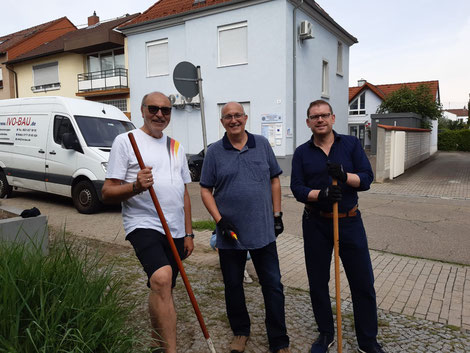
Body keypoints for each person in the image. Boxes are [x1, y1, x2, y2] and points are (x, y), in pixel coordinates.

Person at [290, 99, 386, 353]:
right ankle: (325, 334)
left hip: (349, 222)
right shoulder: (302, 152)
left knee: (363, 282)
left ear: (333, 118)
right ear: (308, 122)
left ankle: (367, 340)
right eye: (314, 117)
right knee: (318, 282)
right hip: (316, 223)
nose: (320, 120)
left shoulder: (351, 145)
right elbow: (297, 188)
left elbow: (366, 178)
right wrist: (319, 195)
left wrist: (344, 177)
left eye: (324, 115)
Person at [102, 92, 194, 353]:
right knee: (162, 279)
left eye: (166, 110)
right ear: (142, 111)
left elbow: (184, 193)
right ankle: (170, 350)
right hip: (143, 223)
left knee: (163, 287)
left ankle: (157, 342)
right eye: (153, 109)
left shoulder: (176, 146)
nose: (160, 115)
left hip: (174, 228)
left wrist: (189, 233)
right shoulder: (127, 141)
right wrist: (135, 186)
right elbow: (107, 192)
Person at [200, 102, 290, 353]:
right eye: (228, 116)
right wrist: (219, 220)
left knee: (273, 286)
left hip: (263, 232)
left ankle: (279, 340)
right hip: (230, 235)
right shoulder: (215, 152)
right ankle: (240, 332)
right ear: (222, 122)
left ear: (245, 117)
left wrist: (277, 214)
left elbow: (274, 179)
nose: (233, 120)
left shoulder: (261, 144)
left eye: (237, 115)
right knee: (233, 285)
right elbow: (205, 189)